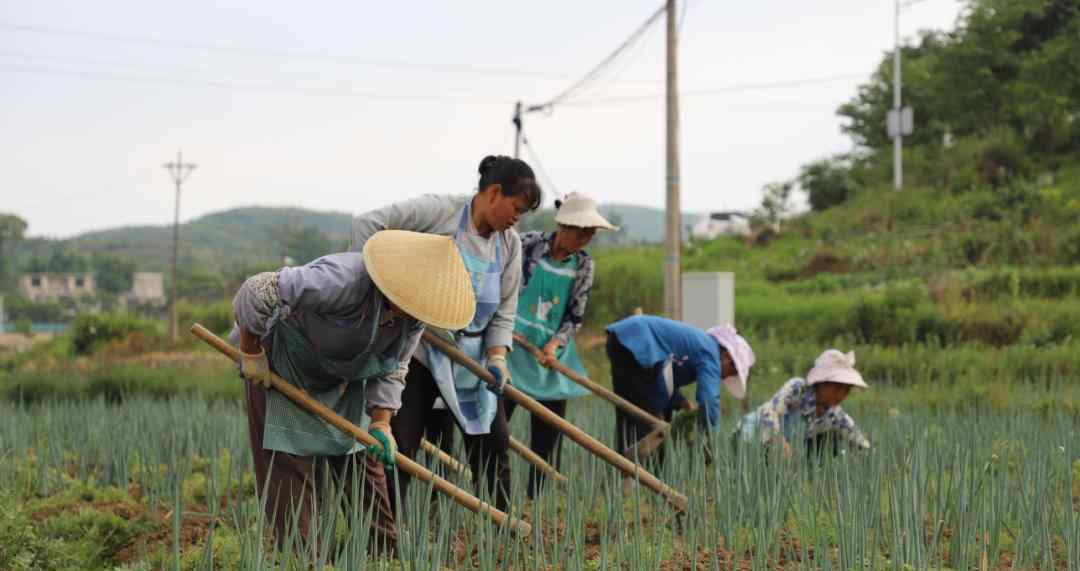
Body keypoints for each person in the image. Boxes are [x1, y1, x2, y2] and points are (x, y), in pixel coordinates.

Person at [232, 230, 475, 554]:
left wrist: (381, 423)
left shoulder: (414, 319)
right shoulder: (343, 280)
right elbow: (257, 290)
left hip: (344, 380)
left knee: (362, 461)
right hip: (285, 368)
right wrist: (251, 354)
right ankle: (302, 556)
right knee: (289, 471)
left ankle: (384, 554)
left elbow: (394, 366)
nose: (418, 316)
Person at [350, 155, 542, 513]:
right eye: (516, 208)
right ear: (495, 193)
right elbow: (367, 223)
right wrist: (374, 292)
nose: (517, 219)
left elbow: (505, 309)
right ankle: (385, 536)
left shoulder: (509, 244)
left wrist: (498, 356)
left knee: (494, 444)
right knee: (400, 443)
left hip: (472, 360)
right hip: (421, 351)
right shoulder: (439, 213)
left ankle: (500, 536)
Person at [505, 192, 618, 496]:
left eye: (590, 235)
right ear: (565, 226)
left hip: (548, 356)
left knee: (548, 433)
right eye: (582, 233)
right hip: (511, 349)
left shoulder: (583, 266)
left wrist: (555, 343)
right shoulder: (526, 244)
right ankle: (493, 496)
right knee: (497, 425)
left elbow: (574, 317)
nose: (585, 240)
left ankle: (534, 499)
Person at [604, 315, 755, 464]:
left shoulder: (702, 347)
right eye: (731, 373)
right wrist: (712, 438)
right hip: (637, 342)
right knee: (644, 419)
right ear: (728, 358)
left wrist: (681, 402)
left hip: (624, 340)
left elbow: (666, 380)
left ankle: (630, 469)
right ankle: (636, 471)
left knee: (635, 414)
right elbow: (708, 401)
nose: (724, 377)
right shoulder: (710, 353)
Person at [735, 349, 870, 457]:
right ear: (822, 383)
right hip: (750, 438)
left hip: (780, 457)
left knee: (830, 443)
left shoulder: (835, 415)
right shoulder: (798, 389)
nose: (841, 395)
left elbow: (857, 438)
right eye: (837, 388)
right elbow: (771, 411)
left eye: (846, 390)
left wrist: (867, 453)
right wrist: (777, 439)